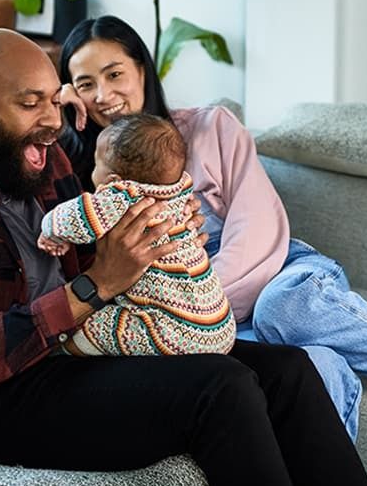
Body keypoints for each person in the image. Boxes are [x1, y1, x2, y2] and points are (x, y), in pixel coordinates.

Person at [0, 28, 367, 486]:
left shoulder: (41, 159)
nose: (50, 122)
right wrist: (95, 287)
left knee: (288, 370)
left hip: (69, 355)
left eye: (53, 102)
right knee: (222, 388)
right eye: (30, 103)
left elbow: (102, 219)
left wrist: (162, 233)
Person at [57, 15, 367, 442]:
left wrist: (198, 308)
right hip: (200, 320)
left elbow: (259, 226)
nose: (104, 95)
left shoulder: (210, 127)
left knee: (283, 306)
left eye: (114, 73)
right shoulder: (88, 178)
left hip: (272, 274)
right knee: (314, 368)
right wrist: (58, 127)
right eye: (83, 84)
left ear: (142, 67)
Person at [38, 113, 235, 357]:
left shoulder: (124, 197)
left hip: (171, 332)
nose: (92, 170)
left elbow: (76, 218)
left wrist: (50, 230)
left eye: (95, 163)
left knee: (101, 324)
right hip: (220, 325)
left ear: (113, 180)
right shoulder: (180, 194)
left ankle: (63, 353)